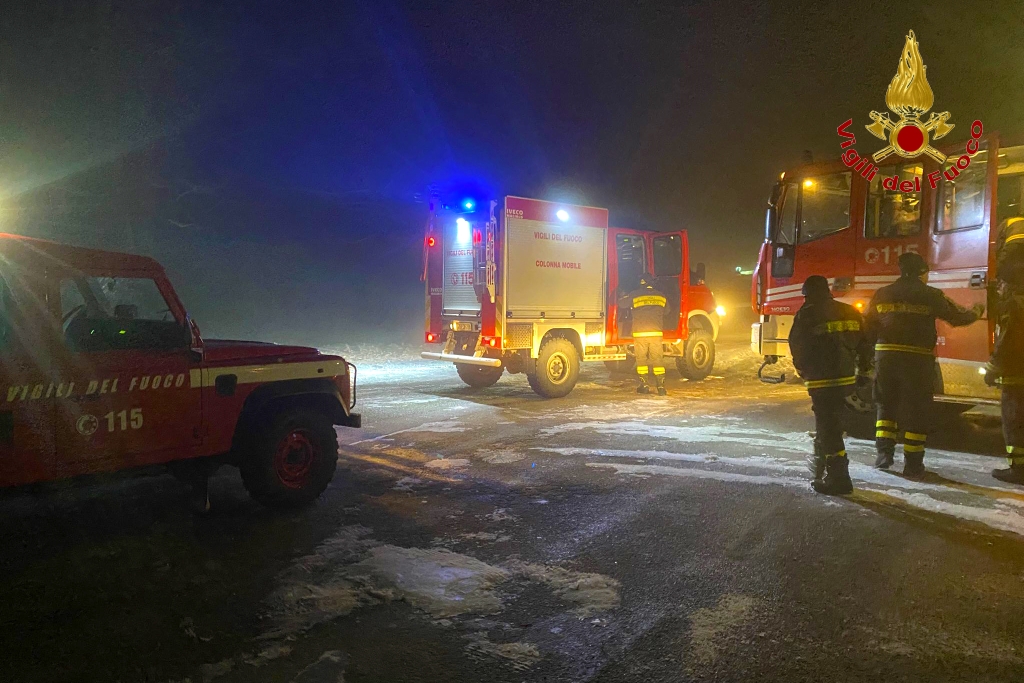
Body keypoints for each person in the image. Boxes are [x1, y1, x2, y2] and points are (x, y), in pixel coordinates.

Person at [865, 252, 984, 477]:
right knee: (916, 409)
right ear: (922, 273)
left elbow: (868, 325)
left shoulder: (882, 294)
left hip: (886, 358)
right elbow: (958, 317)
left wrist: (871, 356)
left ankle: (883, 455)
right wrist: (978, 310)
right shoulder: (931, 294)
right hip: (917, 360)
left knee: (885, 405)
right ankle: (913, 464)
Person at [789, 275, 873, 494]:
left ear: (807, 294)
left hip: (821, 379)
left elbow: (797, 347)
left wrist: (803, 372)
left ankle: (839, 479)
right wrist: (863, 370)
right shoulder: (849, 311)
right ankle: (828, 468)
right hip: (846, 378)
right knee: (832, 423)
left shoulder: (806, 315)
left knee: (828, 427)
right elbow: (865, 343)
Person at [986, 217, 1024, 484]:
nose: (997, 289)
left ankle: (1018, 469)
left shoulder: (1013, 305)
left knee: (1014, 421)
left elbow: (1008, 340)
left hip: (1016, 373)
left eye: (999, 284)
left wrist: (991, 369)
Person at [629, 274, 668, 395]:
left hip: (640, 333)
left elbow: (622, 304)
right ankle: (661, 387)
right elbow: (667, 311)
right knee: (657, 359)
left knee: (641, 360)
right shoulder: (661, 296)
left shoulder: (635, 294)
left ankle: (644, 385)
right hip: (656, 333)